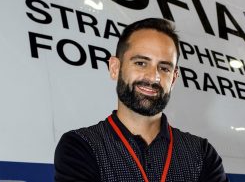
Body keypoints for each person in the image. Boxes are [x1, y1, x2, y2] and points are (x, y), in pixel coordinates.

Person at [54, 18, 229, 182]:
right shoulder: (81, 146)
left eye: (164, 68)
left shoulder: (201, 153)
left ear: (174, 79)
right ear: (115, 68)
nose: (153, 77)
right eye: (141, 63)